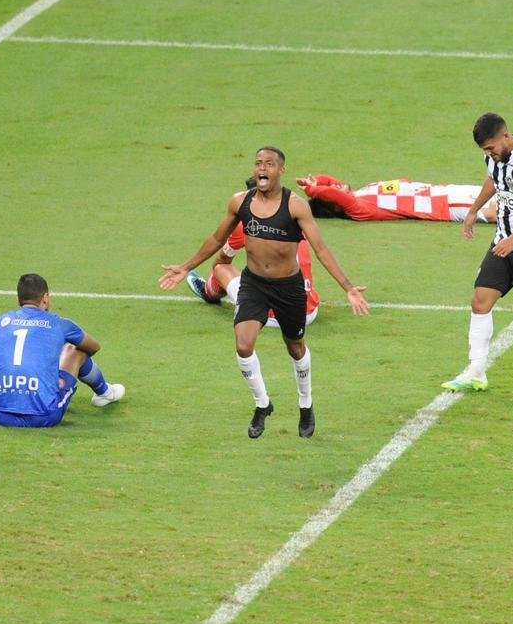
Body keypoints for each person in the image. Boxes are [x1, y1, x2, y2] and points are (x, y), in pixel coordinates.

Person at [159, 146, 370, 439]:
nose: (262, 168)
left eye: (269, 164)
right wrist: (185, 266)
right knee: (243, 345)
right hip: (254, 285)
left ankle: (305, 404)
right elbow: (216, 238)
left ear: (280, 170)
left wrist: (348, 288)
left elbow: (321, 249)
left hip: (289, 289)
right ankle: (263, 404)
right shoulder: (239, 202)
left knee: (295, 348)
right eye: (258, 163)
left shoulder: (296, 206)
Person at [441, 113, 513, 392]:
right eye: (485, 151)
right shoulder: (494, 157)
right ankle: (476, 371)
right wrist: (472, 211)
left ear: (505, 136)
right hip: (503, 242)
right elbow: (494, 181)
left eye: (491, 148)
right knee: (480, 300)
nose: (489, 154)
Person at [0, 273, 124, 427]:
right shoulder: (59, 324)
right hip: (44, 415)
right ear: (45, 298)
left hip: (0, 413)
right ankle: (105, 393)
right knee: (75, 350)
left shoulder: (0, 322)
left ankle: (12, 395)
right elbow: (93, 346)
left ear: (18, 299)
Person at [185, 179, 322, 328]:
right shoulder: (296, 214)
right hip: (307, 313)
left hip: (270, 315)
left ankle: (209, 291)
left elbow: (223, 259)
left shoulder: (247, 222)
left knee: (221, 267)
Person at [298, 172, 513, 231]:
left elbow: (334, 186)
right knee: (494, 212)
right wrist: (314, 191)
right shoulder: (358, 209)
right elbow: (334, 193)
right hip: (440, 207)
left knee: (496, 192)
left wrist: (317, 181)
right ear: (335, 206)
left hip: (440, 193)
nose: (335, 184)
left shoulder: (358, 194)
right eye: (331, 191)